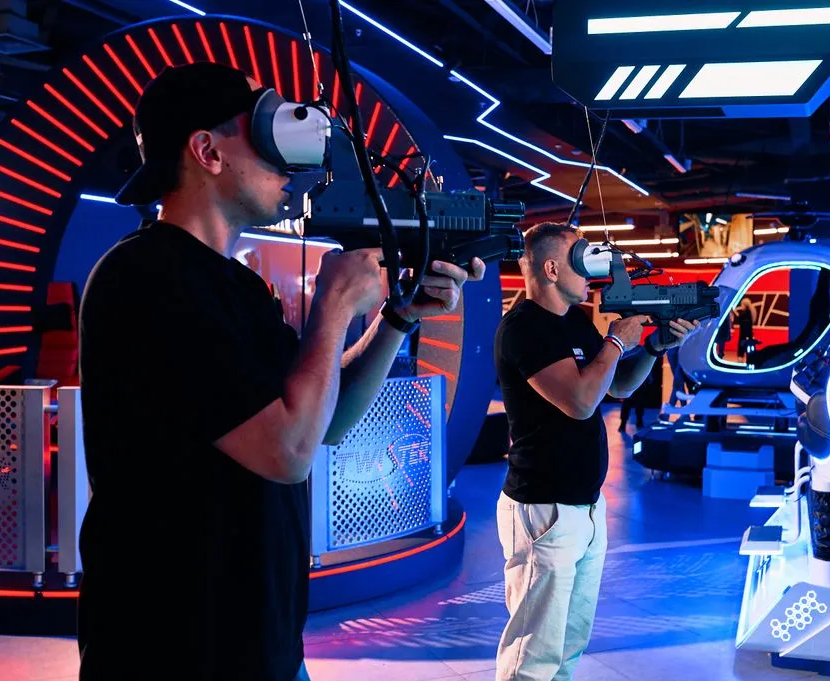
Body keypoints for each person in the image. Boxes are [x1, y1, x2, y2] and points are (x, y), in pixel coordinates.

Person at [76, 63, 484, 681]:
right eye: (263, 129)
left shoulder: (235, 285)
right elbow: (286, 451)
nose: (287, 163)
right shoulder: (146, 277)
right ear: (207, 151)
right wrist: (333, 306)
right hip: (172, 649)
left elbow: (321, 422)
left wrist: (397, 318)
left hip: (259, 640)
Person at [493, 223, 696, 681]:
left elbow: (616, 386)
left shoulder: (574, 320)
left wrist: (654, 346)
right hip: (544, 508)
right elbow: (581, 401)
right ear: (551, 269)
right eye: (580, 259)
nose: (591, 271)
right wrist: (617, 340)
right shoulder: (525, 328)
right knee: (533, 653)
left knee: (568, 642)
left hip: (584, 505)